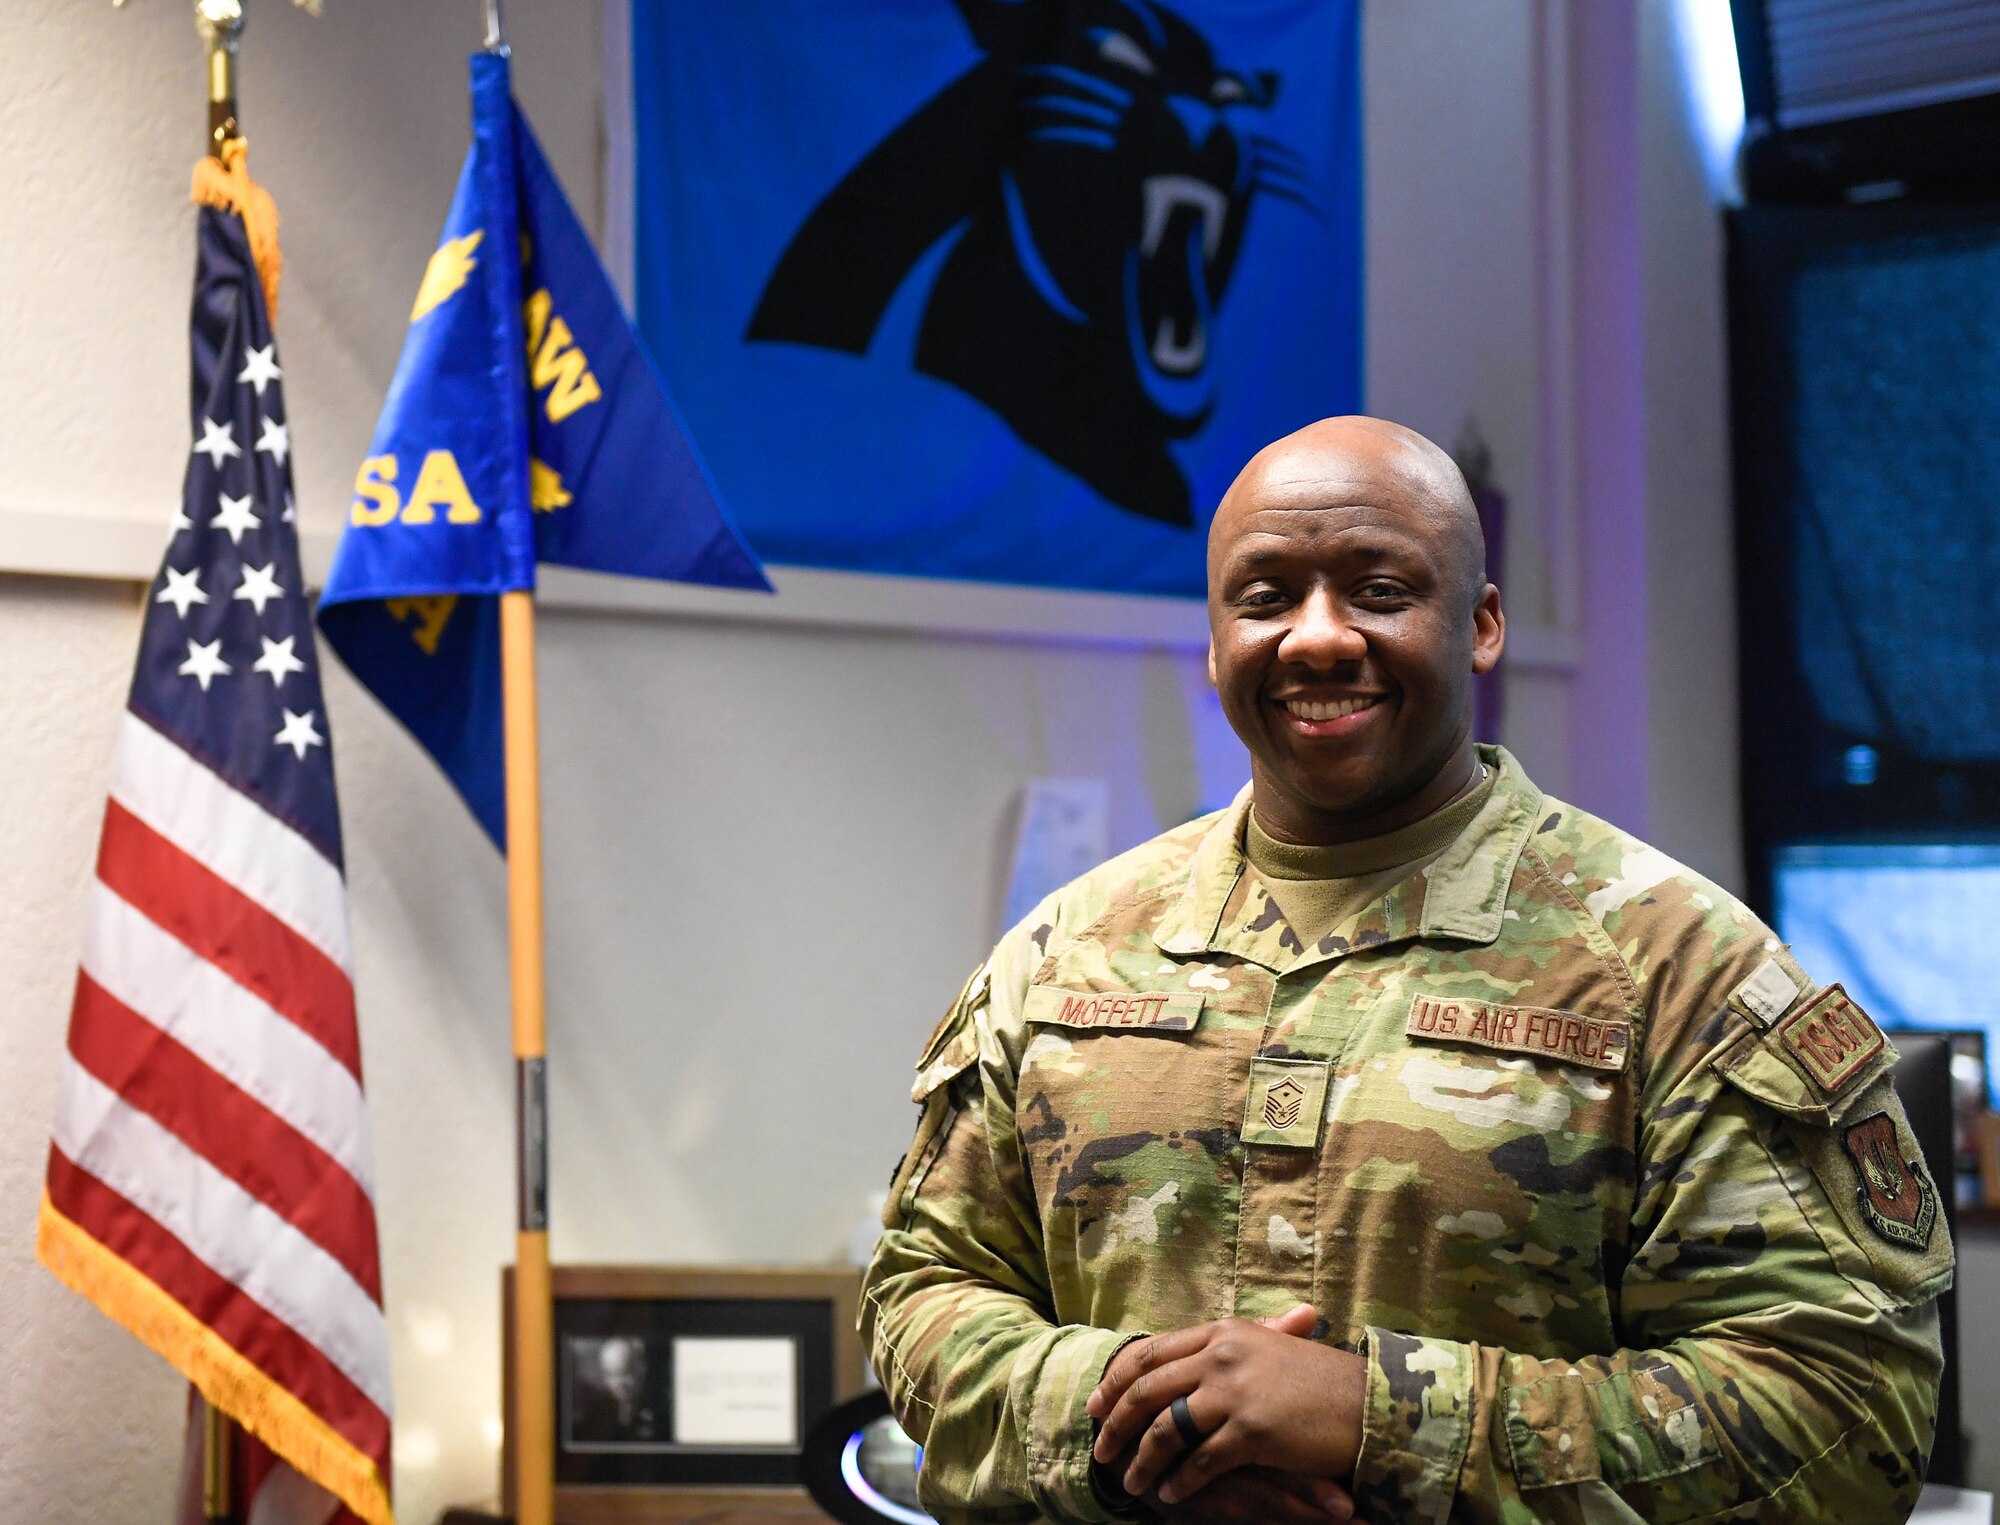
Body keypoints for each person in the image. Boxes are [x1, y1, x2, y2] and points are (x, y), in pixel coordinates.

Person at [860, 417, 1950, 1524]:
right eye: (1265, 596)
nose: (1316, 637)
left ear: (1479, 626)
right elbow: (920, 1297)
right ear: (1213, 638)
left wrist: (1380, 1417)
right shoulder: (1061, 953)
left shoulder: (1671, 967)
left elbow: (1847, 1411)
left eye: (1378, 590)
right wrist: (1147, 1438)